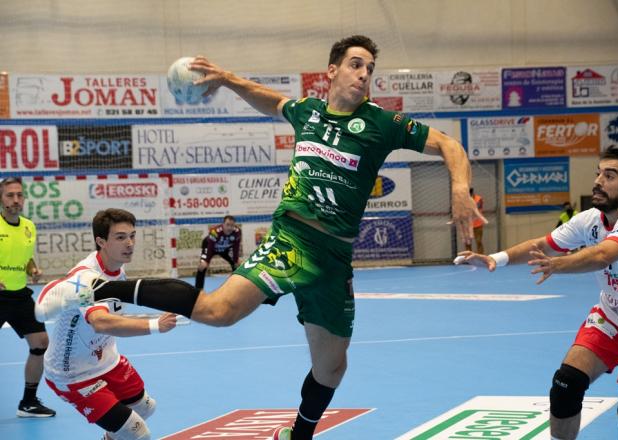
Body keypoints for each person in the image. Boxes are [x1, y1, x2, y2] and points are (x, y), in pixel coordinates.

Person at [39, 35, 484, 440]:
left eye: (370, 68)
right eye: (355, 64)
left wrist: (459, 189)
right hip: (292, 238)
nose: (364, 74)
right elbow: (270, 101)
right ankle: (104, 286)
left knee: (331, 368)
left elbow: (450, 146)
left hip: (335, 257)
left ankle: (297, 433)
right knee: (218, 311)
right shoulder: (308, 112)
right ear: (332, 71)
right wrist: (229, 79)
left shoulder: (382, 124)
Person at [457, 146, 618, 440]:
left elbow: (603, 255)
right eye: (598, 173)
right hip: (613, 315)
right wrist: (495, 259)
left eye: (610, 175)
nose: (599, 180)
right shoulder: (590, 219)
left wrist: (559, 265)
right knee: (567, 383)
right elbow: (544, 244)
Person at [35, 208, 177, 440]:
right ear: (101, 241)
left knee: (145, 407)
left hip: (106, 360)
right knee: (139, 434)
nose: (129, 243)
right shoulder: (86, 279)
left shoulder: (117, 266)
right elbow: (101, 322)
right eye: (120, 237)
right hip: (73, 373)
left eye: (132, 235)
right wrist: (154, 325)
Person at [0, 176, 56, 418]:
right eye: (9, 195)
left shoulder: (28, 226)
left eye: (19, 195)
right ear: (1, 199)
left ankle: (29, 402)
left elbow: (25, 256)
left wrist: (32, 269)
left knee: (41, 343)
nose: (15, 200)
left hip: (20, 296)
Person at [195, 215, 241, 288]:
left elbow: (236, 247)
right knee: (202, 267)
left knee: (237, 266)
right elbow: (210, 247)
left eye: (232, 225)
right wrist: (206, 261)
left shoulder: (237, 232)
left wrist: (235, 260)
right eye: (227, 225)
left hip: (225, 249)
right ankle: (198, 290)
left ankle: (236, 287)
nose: (229, 228)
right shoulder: (215, 231)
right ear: (223, 224)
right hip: (210, 247)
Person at [465, 187, 485, 254]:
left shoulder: (478, 199)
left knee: (479, 241)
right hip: (467, 225)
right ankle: (469, 257)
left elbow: (475, 209)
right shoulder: (463, 199)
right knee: (468, 243)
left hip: (478, 224)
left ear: (472, 193)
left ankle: (480, 256)